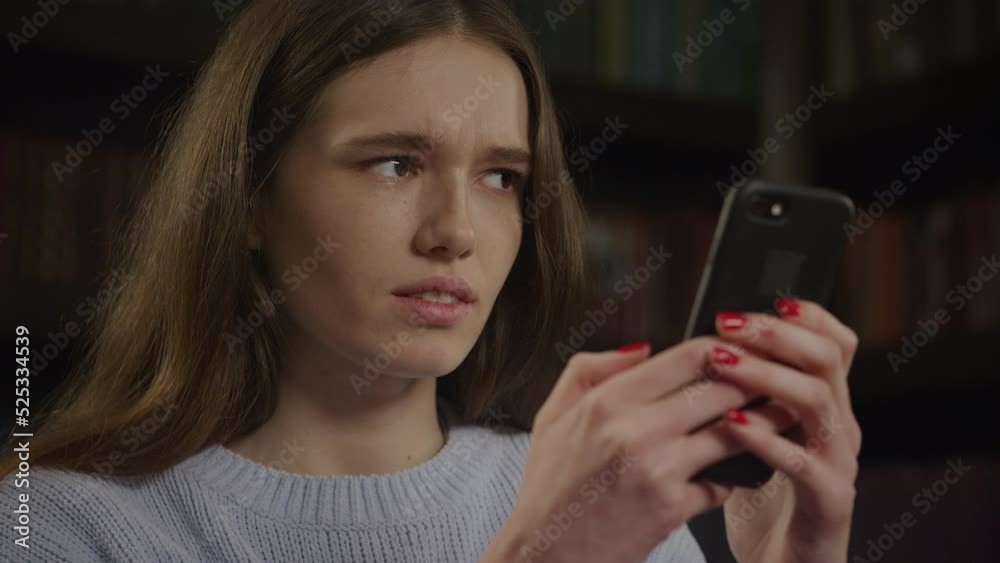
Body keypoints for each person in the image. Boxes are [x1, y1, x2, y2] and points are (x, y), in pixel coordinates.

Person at [1, 1, 862, 561]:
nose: (456, 232)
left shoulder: (616, 504)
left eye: (501, 178)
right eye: (395, 163)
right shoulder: (59, 526)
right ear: (251, 199)